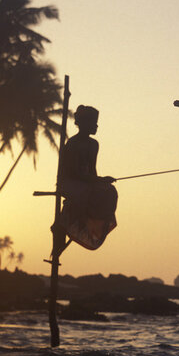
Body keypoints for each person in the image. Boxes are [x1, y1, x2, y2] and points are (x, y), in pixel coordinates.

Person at [59, 105, 117, 250]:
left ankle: (92, 223)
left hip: (86, 183)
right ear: (84, 124)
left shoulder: (93, 145)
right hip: (70, 182)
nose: (96, 126)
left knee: (109, 191)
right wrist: (98, 181)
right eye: (93, 123)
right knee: (88, 192)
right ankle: (69, 221)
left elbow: (92, 171)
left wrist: (100, 182)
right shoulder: (73, 143)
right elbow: (74, 172)